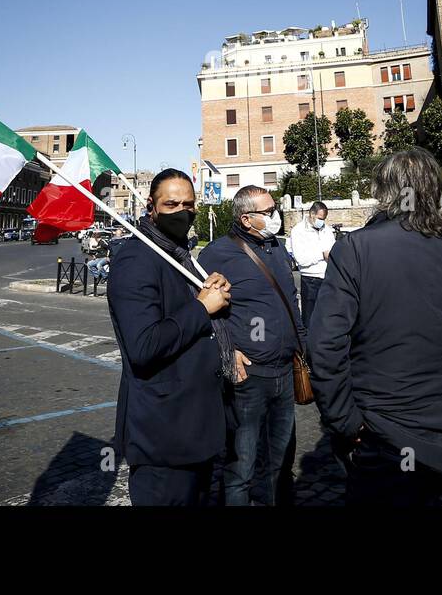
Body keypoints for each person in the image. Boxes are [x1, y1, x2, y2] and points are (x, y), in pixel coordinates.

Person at [308, 148, 442, 506]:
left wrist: (344, 421)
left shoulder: (355, 248)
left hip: (386, 439)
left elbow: (325, 346)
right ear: (435, 190)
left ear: (381, 192)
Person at [106, 169, 233, 505]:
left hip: (198, 431)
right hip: (165, 438)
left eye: (189, 204)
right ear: (152, 206)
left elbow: (191, 317)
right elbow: (144, 345)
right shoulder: (136, 259)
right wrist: (202, 308)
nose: (182, 211)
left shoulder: (179, 255)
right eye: (172, 203)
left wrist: (212, 294)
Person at [198, 185, 305, 506]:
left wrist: (303, 348)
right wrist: (227, 351)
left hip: (285, 372)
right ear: (247, 219)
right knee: (240, 467)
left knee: (281, 462)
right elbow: (201, 310)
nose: (276, 216)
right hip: (249, 379)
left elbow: (291, 302)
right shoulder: (217, 254)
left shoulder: (276, 248)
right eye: (269, 211)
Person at [288, 200, 335, 324]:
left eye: (324, 219)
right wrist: (322, 255)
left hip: (328, 278)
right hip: (310, 280)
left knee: (328, 317)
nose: (322, 221)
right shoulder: (298, 231)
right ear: (311, 214)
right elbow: (301, 259)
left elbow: (333, 250)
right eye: (320, 218)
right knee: (310, 319)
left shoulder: (327, 230)